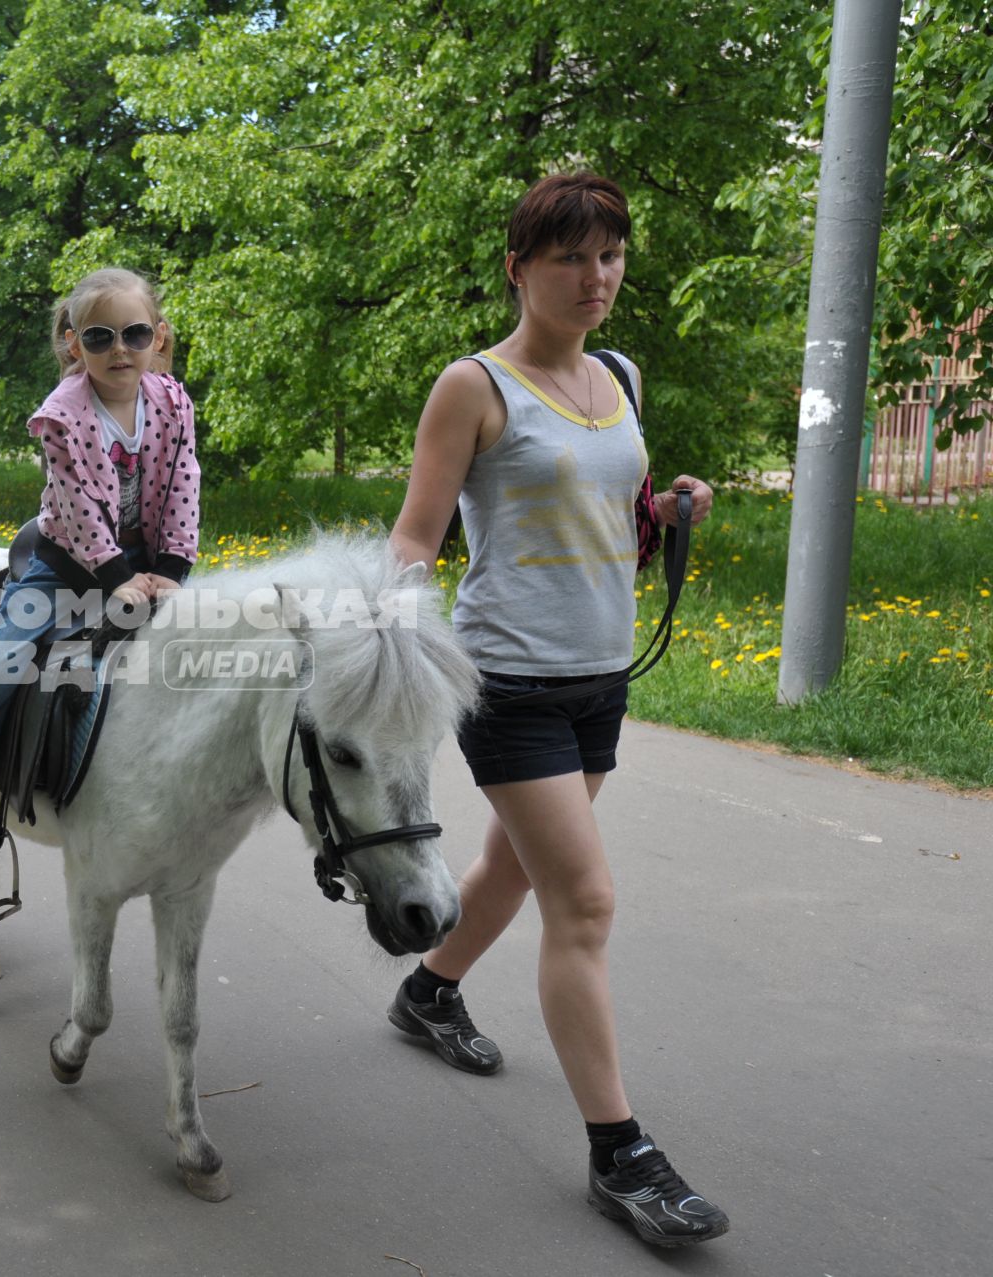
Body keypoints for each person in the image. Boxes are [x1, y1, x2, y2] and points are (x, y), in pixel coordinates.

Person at [386, 173, 724, 1248]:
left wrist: (668, 508)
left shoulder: (618, 374)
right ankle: (622, 1153)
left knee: (515, 869)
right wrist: (380, 629)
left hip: (599, 676)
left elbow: (609, 511)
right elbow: (416, 534)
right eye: (573, 257)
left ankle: (429, 995)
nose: (597, 276)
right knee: (583, 900)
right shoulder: (473, 386)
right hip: (509, 681)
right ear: (519, 268)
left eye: (612, 254)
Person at [0, 268, 200, 840]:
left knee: (215, 638)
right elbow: (78, 505)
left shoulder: (173, 403)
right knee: (6, 651)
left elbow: (184, 484)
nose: (119, 350)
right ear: (76, 344)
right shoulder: (63, 415)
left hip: (147, 558)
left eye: (134, 334)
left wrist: (171, 569)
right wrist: (118, 578)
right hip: (68, 562)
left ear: (159, 336)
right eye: (100, 338)